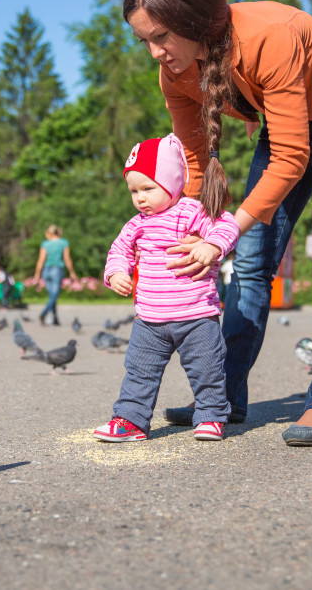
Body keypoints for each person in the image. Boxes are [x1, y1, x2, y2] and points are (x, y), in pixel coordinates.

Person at [124, 0, 312, 447]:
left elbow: (290, 158)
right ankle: (222, 397)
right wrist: (189, 230)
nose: (154, 52)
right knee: (250, 263)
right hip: (290, 123)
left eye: (161, 37)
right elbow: (196, 164)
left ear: (194, 22)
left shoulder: (270, 34)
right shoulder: (176, 75)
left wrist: (222, 232)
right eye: (144, 39)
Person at [95, 134, 240, 442]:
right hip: (149, 319)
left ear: (173, 183)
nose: (140, 198)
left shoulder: (190, 211)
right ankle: (130, 420)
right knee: (138, 372)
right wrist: (117, 272)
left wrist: (212, 246)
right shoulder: (136, 225)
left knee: (207, 370)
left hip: (196, 314)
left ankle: (212, 417)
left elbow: (227, 224)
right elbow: (118, 251)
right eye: (133, 190)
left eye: (148, 188)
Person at [32, 225, 78, 326]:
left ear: (49, 233)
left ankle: (55, 319)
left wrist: (37, 273)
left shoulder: (45, 244)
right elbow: (67, 259)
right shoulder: (63, 243)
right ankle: (44, 314)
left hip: (46, 270)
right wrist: (72, 272)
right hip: (57, 270)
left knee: (52, 296)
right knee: (54, 296)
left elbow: (41, 260)